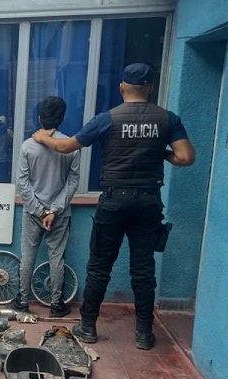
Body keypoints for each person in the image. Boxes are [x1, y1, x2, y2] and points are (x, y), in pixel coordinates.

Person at [32, 63, 195, 349]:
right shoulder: (167, 118)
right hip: (148, 201)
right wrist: (161, 152)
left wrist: (43, 136)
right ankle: (144, 334)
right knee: (143, 268)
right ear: (150, 88)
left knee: (99, 265)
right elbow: (185, 157)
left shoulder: (108, 119)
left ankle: (87, 326)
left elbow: (66, 147)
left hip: (114, 200)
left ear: (122, 88)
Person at [9, 96, 80, 317]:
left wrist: (40, 211)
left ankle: (22, 300)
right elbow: (73, 181)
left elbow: (22, 182)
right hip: (59, 214)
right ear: (62, 119)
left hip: (33, 212)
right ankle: (56, 305)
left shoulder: (28, 146)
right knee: (56, 257)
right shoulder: (70, 146)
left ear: (39, 118)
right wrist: (53, 210)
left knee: (28, 255)